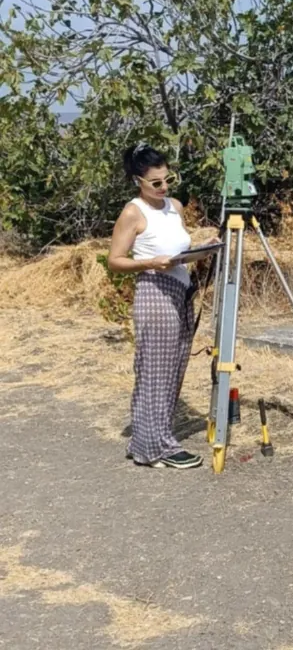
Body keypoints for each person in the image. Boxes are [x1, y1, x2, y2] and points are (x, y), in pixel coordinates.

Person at [107, 142, 202, 469]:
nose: (164, 187)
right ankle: (154, 447)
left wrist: (203, 252)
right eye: (156, 183)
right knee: (154, 371)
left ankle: (149, 440)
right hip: (154, 291)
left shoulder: (173, 206)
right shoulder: (134, 212)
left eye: (168, 179)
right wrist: (150, 263)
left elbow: (179, 243)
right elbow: (115, 260)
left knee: (174, 366)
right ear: (138, 181)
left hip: (180, 287)